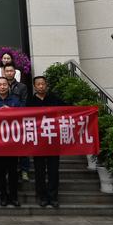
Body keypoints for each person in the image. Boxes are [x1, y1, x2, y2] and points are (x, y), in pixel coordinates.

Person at [28, 75, 65, 208]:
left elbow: (69, 111)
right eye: (38, 84)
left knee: (53, 171)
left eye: (43, 84)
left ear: (46, 85)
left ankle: (53, 196)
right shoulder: (30, 101)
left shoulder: (54, 99)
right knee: (39, 171)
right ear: (34, 86)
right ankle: (41, 196)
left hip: (53, 140)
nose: (41, 86)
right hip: (38, 142)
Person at [0, 76, 21, 207]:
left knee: (13, 172)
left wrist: (11, 112)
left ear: (8, 86)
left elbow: (23, 117)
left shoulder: (16, 101)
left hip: (12, 142)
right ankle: (3, 195)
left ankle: (14, 196)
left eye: (4, 84)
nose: (2, 87)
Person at [2, 60, 30, 182]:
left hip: (19, 120)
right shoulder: (0, 85)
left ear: (15, 72)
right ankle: (9, 171)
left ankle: (24, 170)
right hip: (4, 122)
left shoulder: (22, 87)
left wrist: (12, 110)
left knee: (22, 146)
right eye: (7, 71)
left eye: (11, 71)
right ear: (4, 72)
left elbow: (24, 103)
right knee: (7, 147)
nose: (9, 73)